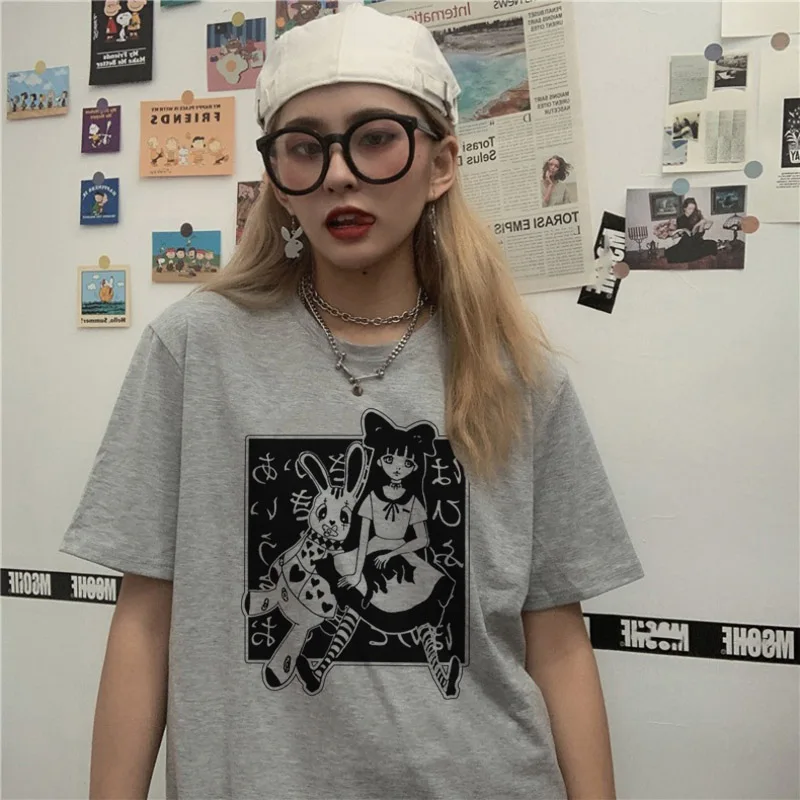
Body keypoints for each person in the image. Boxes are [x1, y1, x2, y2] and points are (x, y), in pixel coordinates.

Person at [59, 5, 644, 800]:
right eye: (305, 147)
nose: (338, 173)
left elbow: (558, 639)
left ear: (441, 163)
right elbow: (144, 621)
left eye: (374, 138)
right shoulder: (193, 351)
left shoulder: (518, 373)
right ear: (278, 178)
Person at [665, 196, 717, 264]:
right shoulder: (680, 219)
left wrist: (702, 225)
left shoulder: (696, 215)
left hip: (698, 240)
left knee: (713, 243)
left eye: (693, 209)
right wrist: (695, 226)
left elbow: (701, 232)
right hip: (687, 242)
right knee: (672, 253)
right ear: (684, 208)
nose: (692, 211)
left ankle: (694, 254)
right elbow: (684, 233)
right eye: (689, 208)